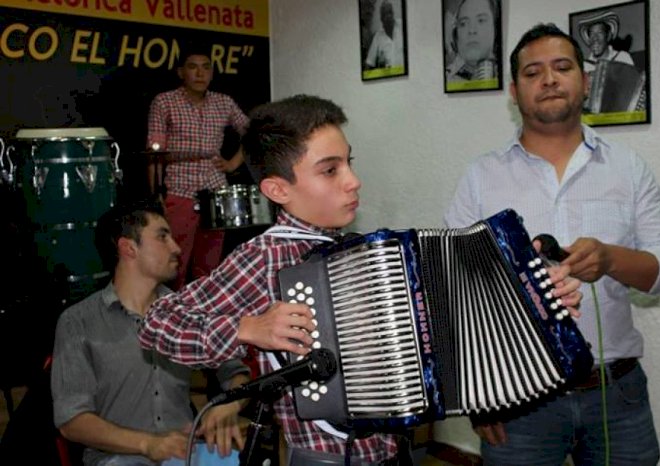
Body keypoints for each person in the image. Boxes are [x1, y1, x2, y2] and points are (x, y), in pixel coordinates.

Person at [137, 94, 581, 465]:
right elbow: (158, 324)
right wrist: (246, 328)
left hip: (394, 453)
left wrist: (538, 300)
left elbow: (443, 333)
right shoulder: (266, 256)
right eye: (330, 170)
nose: (353, 181)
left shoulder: (364, 254)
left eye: (348, 163)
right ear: (277, 190)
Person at [444, 23, 660, 465]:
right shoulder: (480, 177)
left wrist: (611, 259)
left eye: (562, 67)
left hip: (617, 397)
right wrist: (474, 397)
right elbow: (455, 293)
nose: (549, 80)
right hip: (518, 400)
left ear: (585, 79)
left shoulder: (629, 169)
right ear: (514, 92)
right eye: (533, 72)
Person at [51, 200, 250, 466]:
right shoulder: (79, 321)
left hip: (185, 454)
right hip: (116, 459)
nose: (177, 248)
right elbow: (72, 421)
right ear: (128, 248)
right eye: (162, 237)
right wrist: (148, 444)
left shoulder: (188, 313)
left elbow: (237, 374)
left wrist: (229, 406)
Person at [147, 44, 249, 290]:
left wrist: (233, 162)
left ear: (212, 73)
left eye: (206, 68)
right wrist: (156, 194)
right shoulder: (165, 102)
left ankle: (204, 316)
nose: (200, 74)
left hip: (215, 190)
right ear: (181, 72)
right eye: (193, 67)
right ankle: (171, 314)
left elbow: (253, 132)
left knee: (211, 263)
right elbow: (154, 153)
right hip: (179, 190)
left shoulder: (223, 103)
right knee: (174, 261)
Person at [445, 0, 500, 82]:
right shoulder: (447, 79)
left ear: (495, 28)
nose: (471, 30)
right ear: (456, 35)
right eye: (463, 23)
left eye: (481, 20)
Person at [364, 0, 404, 69]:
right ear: (381, 19)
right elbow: (369, 63)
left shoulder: (402, 26)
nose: (389, 16)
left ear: (393, 13)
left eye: (390, 12)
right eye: (386, 14)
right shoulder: (378, 37)